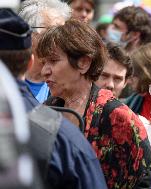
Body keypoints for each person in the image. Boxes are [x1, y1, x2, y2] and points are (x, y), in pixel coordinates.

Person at [37, 19, 151, 189]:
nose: (44, 71)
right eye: (43, 63)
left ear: (84, 63)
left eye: (53, 61)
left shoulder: (117, 116)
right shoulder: (47, 110)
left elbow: (146, 182)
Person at [0, 8, 107, 189]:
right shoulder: (63, 137)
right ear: (30, 62)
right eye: (46, 61)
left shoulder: (113, 116)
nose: (46, 71)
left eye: (54, 60)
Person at [19, 0, 71, 103]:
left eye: (64, 32)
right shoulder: (7, 78)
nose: (62, 38)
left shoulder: (68, 80)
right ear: (30, 33)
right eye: (53, 31)